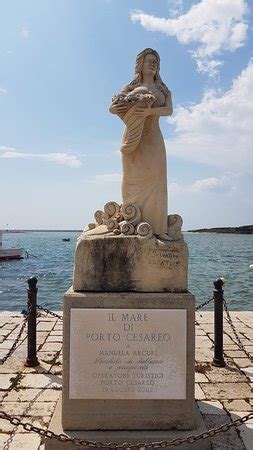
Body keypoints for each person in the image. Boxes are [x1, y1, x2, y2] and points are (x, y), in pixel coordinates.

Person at [109, 48, 173, 240]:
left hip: (154, 139)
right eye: (149, 61)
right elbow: (113, 107)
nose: (152, 64)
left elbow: (169, 110)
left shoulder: (164, 90)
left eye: (155, 61)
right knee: (131, 179)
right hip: (133, 138)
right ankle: (130, 218)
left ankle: (158, 228)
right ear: (140, 65)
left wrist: (148, 112)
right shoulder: (129, 87)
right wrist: (119, 106)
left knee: (157, 180)